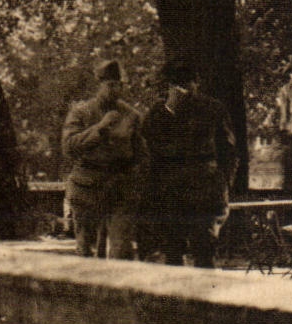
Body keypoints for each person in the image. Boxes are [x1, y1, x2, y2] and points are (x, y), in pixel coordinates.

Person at [139, 59, 236, 268]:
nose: (184, 89)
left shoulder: (212, 109)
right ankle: (176, 300)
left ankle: (205, 299)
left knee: (204, 250)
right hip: (171, 191)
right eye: (177, 84)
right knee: (173, 251)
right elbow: (148, 146)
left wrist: (223, 182)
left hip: (204, 189)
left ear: (197, 83)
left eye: (188, 83)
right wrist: (169, 110)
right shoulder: (160, 112)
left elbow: (228, 151)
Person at [61, 59, 146, 258]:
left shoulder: (131, 116)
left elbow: (141, 155)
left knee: (121, 250)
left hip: (119, 188)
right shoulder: (81, 112)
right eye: (109, 85)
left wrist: (135, 183)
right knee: (86, 252)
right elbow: (68, 147)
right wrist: (99, 129)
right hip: (87, 188)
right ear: (99, 85)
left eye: (119, 85)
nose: (114, 90)